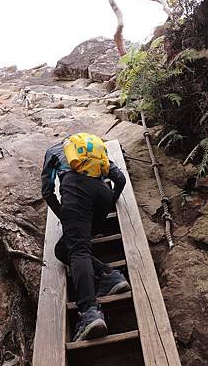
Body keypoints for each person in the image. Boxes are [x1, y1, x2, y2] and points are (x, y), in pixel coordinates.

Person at [41, 133, 130, 342]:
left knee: (78, 251)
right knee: (62, 249)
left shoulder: (53, 152)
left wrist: (65, 214)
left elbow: (47, 192)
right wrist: (111, 201)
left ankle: (89, 312)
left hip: (75, 192)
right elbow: (120, 179)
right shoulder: (94, 151)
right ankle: (109, 275)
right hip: (102, 195)